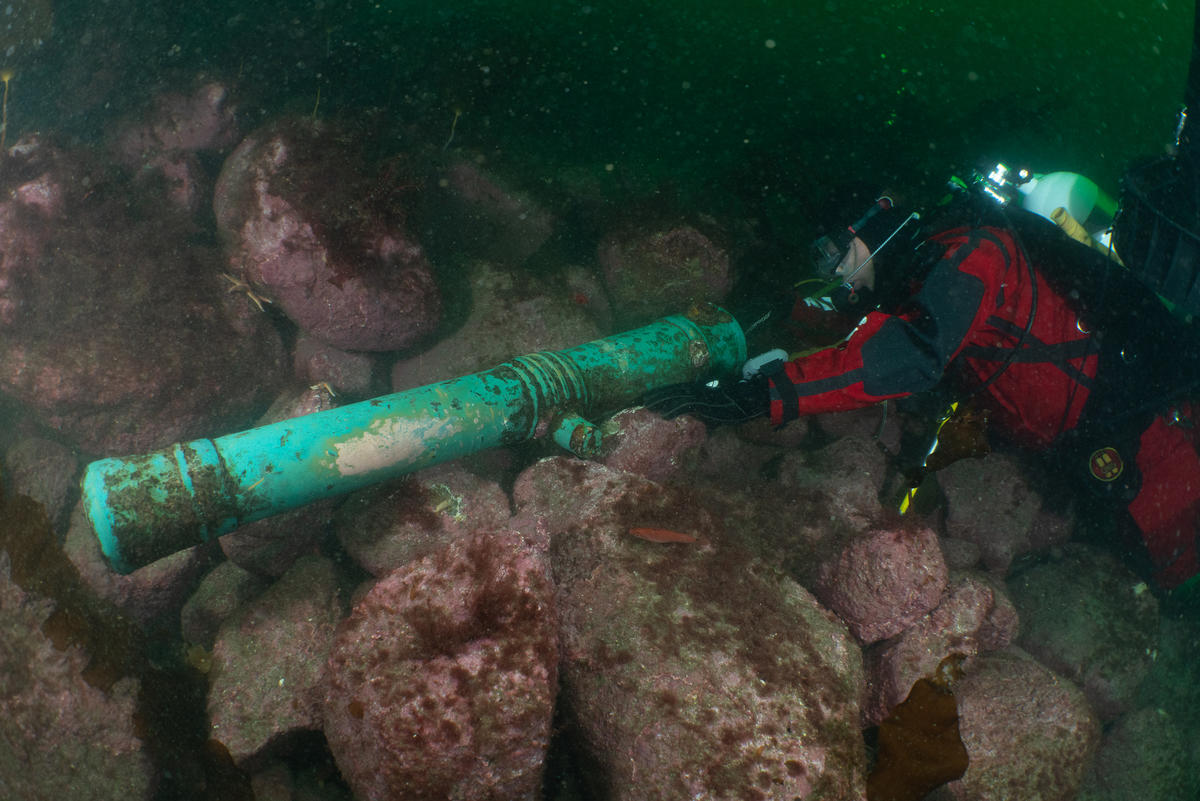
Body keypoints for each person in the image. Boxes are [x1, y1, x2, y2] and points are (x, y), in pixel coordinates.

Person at [645, 176, 1200, 591]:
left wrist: (752, 397)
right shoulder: (932, 261)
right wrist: (778, 310)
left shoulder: (976, 254)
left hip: (1159, 456)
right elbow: (884, 322)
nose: (834, 273)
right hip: (1085, 454)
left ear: (869, 227)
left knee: (1167, 578)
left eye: (833, 254)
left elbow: (906, 355)